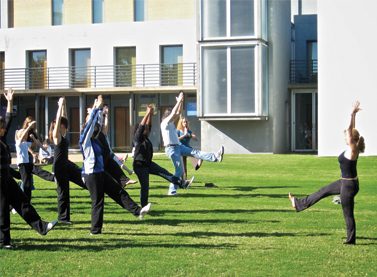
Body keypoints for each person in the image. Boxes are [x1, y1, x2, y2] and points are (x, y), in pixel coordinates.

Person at [288, 101, 365, 245]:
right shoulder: (350, 148)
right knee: (322, 191)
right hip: (344, 182)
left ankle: (351, 240)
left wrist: (351, 115)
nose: (345, 137)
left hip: (349, 186)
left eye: (346, 136)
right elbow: (351, 130)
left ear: (351, 139)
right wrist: (354, 116)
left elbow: (350, 129)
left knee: (348, 213)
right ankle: (298, 204)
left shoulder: (353, 150)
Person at [80, 95, 150, 235]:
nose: (96, 128)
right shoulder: (84, 140)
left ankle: (138, 211)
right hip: (91, 175)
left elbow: (97, 124)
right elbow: (90, 125)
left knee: (118, 191)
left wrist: (99, 111)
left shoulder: (96, 139)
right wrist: (96, 108)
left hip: (100, 172)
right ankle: (95, 230)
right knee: (98, 202)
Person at [0, 89, 57, 249]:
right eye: (1, 127)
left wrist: (10, 101)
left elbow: (8, 118)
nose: (4, 129)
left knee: (22, 201)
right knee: (3, 210)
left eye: (3, 127)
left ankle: (42, 227)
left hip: (6, 177)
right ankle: (4, 242)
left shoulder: (2, 138)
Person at [161, 91, 224, 196]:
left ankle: (215, 157)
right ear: (167, 115)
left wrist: (180, 102)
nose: (175, 116)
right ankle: (172, 191)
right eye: (172, 114)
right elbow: (174, 113)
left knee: (196, 152)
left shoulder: (170, 122)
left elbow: (178, 113)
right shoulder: (165, 122)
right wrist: (179, 101)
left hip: (178, 146)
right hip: (171, 149)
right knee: (179, 171)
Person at [133, 105, 194, 207]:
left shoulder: (145, 137)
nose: (148, 129)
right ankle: (143, 207)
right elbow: (142, 126)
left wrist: (151, 115)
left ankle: (182, 183)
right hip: (140, 165)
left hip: (148, 163)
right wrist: (147, 113)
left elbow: (148, 125)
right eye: (145, 129)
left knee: (165, 173)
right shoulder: (137, 138)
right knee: (145, 186)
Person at [51, 97, 88, 224]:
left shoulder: (63, 134)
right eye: (61, 124)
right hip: (59, 167)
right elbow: (58, 122)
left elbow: (64, 118)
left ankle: (94, 186)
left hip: (66, 164)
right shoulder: (56, 137)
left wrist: (64, 105)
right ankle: (63, 218)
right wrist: (59, 106)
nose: (64, 126)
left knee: (82, 177)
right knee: (63, 193)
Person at [97, 104, 137, 188]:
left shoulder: (103, 134)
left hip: (108, 154)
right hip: (101, 157)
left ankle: (124, 181)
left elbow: (105, 126)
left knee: (115, 167)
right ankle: (123, 180)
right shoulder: (96, 135)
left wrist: (106, 115)